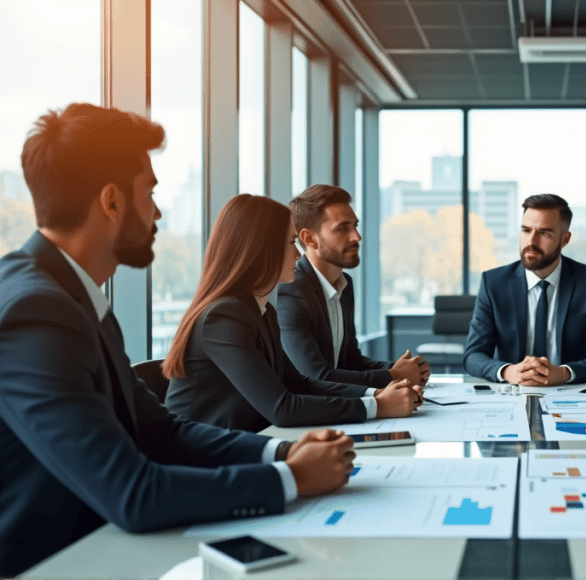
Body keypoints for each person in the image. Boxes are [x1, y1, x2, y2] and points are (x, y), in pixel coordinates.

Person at [0, 103, 355, 576]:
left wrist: (284, 451)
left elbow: (161, 431)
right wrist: (289, 479)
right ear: (111, 201)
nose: (158, 211)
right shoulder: (36, 313)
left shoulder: (72, 298)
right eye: (149, 192)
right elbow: (133, 493)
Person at [163, 194, 422, 432]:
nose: (298, 254)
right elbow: (281, 408)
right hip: (202, 461)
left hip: (240, 447)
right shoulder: (223, 317)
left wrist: (374, 396)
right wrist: (379, 407)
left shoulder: (260, 311)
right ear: (260, 249)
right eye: (290, 243)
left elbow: (300, 384)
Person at [278, 184, 429, 390]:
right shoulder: (292, 292)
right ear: (309, 238)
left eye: (355, 226)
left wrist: (403, 369)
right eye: (342, 228)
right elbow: (315, 375)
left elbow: (350, 360)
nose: (356, 237)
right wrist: (392, 375)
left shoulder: (345, 286)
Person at [463, 194, 586, 385]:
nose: (531, 241)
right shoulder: (494, 283)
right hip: (512, 393)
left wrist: (563, 374)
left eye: (544, 233)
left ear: (565, 239)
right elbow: (473, 355)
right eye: (526, 230)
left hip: (569, 394)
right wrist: (508, 372)